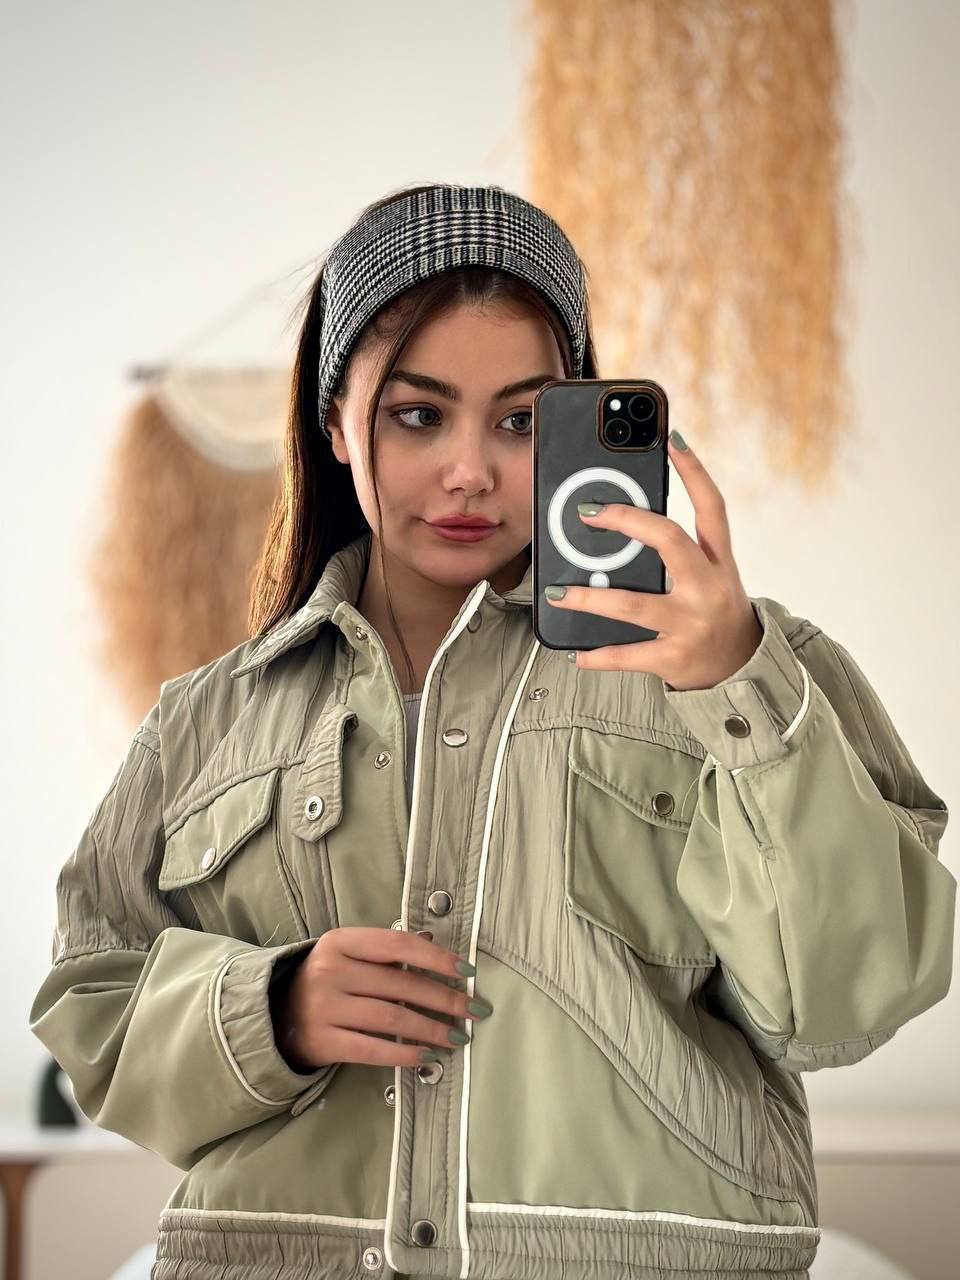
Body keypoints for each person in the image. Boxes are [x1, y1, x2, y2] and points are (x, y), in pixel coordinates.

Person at [29, 182, 955, 1280]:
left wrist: (738, 684)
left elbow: (848, 1002)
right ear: (336, 423)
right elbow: (90, 1001)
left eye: (520, 421)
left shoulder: (749, 672)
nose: (470, 470)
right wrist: (268, 1009)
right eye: (418, 415)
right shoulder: (207, 719)